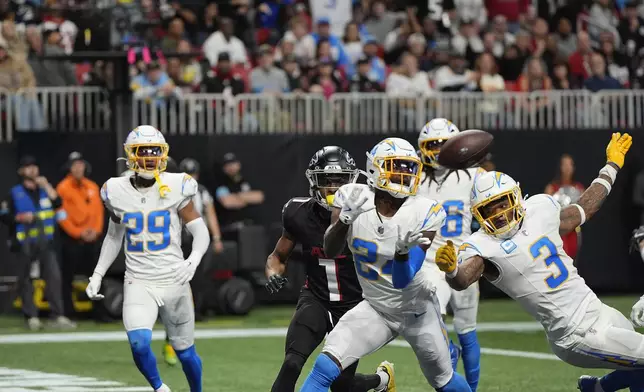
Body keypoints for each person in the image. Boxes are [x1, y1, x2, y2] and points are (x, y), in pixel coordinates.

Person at [432, 134, 644, 391]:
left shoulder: (540, 209)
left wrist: (611, 165)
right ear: (478, 214)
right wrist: (452, 269)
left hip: (598, 310)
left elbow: (583, 209)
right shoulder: (481, 246)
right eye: (490, 209)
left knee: (639, 373)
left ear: (517, 199)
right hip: (575, 334)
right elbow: (463, 278)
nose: (498, 215)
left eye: (503, 204)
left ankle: (597, 388)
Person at [300, 138, 471, 392]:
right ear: (374, 168)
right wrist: (344, 221)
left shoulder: (425, 210)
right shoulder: (352, 196)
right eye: (396, 166)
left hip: (417, 311)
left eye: (408, 167)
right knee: (323, 369)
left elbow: (403, 279)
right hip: (376, 307)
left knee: (444, 381)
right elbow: (330, 250)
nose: (403, 174)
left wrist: (402, 253)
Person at [85, 125, 208, 392]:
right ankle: (159, 388)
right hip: (139, 280)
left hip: (174, 279)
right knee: (139, 343)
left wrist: (194, 258)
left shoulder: (178, 185)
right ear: (131, 154)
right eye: (143, 151)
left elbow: (200, 230)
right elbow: (114, 237)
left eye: (155, 151)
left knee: (185, 353)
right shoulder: (115, 190)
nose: (150, 157)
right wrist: (97, 274)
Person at [266, 146, 394, 392]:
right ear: (315, 183)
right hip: (317, 298)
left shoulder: (369, 215)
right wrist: (273, 272)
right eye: (328, 182)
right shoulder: (297, 213)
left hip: (355, 306)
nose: (335, 189)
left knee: (340, 386)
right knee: (292, 363)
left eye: (341, 182)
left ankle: (382, 380)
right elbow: (277, 256)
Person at [416, 119, 482, 392]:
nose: (439, 151)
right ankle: (448, 361)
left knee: (467, 332)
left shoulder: (475, 175)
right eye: (433, 145)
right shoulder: (416, 177)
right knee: (430, 325)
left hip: (464, 259)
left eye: (445, 145)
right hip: (431, 263)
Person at [0, 156, 76, 330]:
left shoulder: (44, 190)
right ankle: (31, 316)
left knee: (53, 277)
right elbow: (4, 215)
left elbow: (58, 203)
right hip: (24, 241)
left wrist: (47, 185)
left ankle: (58, 315)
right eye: (28, 167)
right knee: (26, 279)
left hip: (46, 242)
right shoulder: (14, 193)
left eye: (34, 166)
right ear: (21, 171)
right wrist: (18, 218)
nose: (32, 170)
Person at [56, 152, 104, 318]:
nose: (78, 168)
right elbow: (61, 215)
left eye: (80, 164)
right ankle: (69, 312)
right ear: (69, 168)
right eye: (74, 165)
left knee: (97, 275)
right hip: (71, 239)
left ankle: (100, 311)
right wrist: (78, 233)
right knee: (67, 277)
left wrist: (96, 231)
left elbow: (98, 212)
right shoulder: (63, 188)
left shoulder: (92, 187)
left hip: (92, 238)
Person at [544, 154, 585, 262]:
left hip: (573, 232)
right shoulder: (551, 188)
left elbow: (586, 211)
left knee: (573, 261)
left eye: (570, 164)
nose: (567, 168)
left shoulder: (579, 188)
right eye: (564, 164)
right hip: (557, 232)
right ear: (560, 167)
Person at [215, 152, 264, 229]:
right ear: (223, 168)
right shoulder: (221, 183)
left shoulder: (248, 180)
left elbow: (259, 197)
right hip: (231, 226)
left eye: (232, 163)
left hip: (251, 225)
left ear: (238, 164)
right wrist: (247, 198)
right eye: (227, 165)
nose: (230, 167)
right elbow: (228, 203)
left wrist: (237, 197)